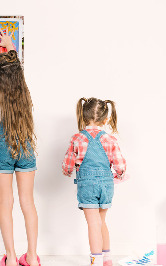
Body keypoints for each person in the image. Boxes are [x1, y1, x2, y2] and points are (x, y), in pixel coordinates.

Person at [0, 28, 41, 266]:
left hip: (3, 148)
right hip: (25, 146)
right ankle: (32, 257)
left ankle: (12, 258)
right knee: (28, 202)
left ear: (0, 76)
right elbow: (17, 72)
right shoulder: (25, 94)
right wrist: (11, 47)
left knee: (6, 203)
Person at [62, 98, 127, 266]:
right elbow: (120, 165)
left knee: (93, 224)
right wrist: (119, 176)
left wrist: (67, 171)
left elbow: (67, 164)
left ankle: (96, 261)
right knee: (101, 222)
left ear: (83, 117)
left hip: (87, 186)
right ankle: (107, 260)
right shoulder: (110, 139)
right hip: (106, 185)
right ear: (105, 120)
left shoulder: (77, 138)